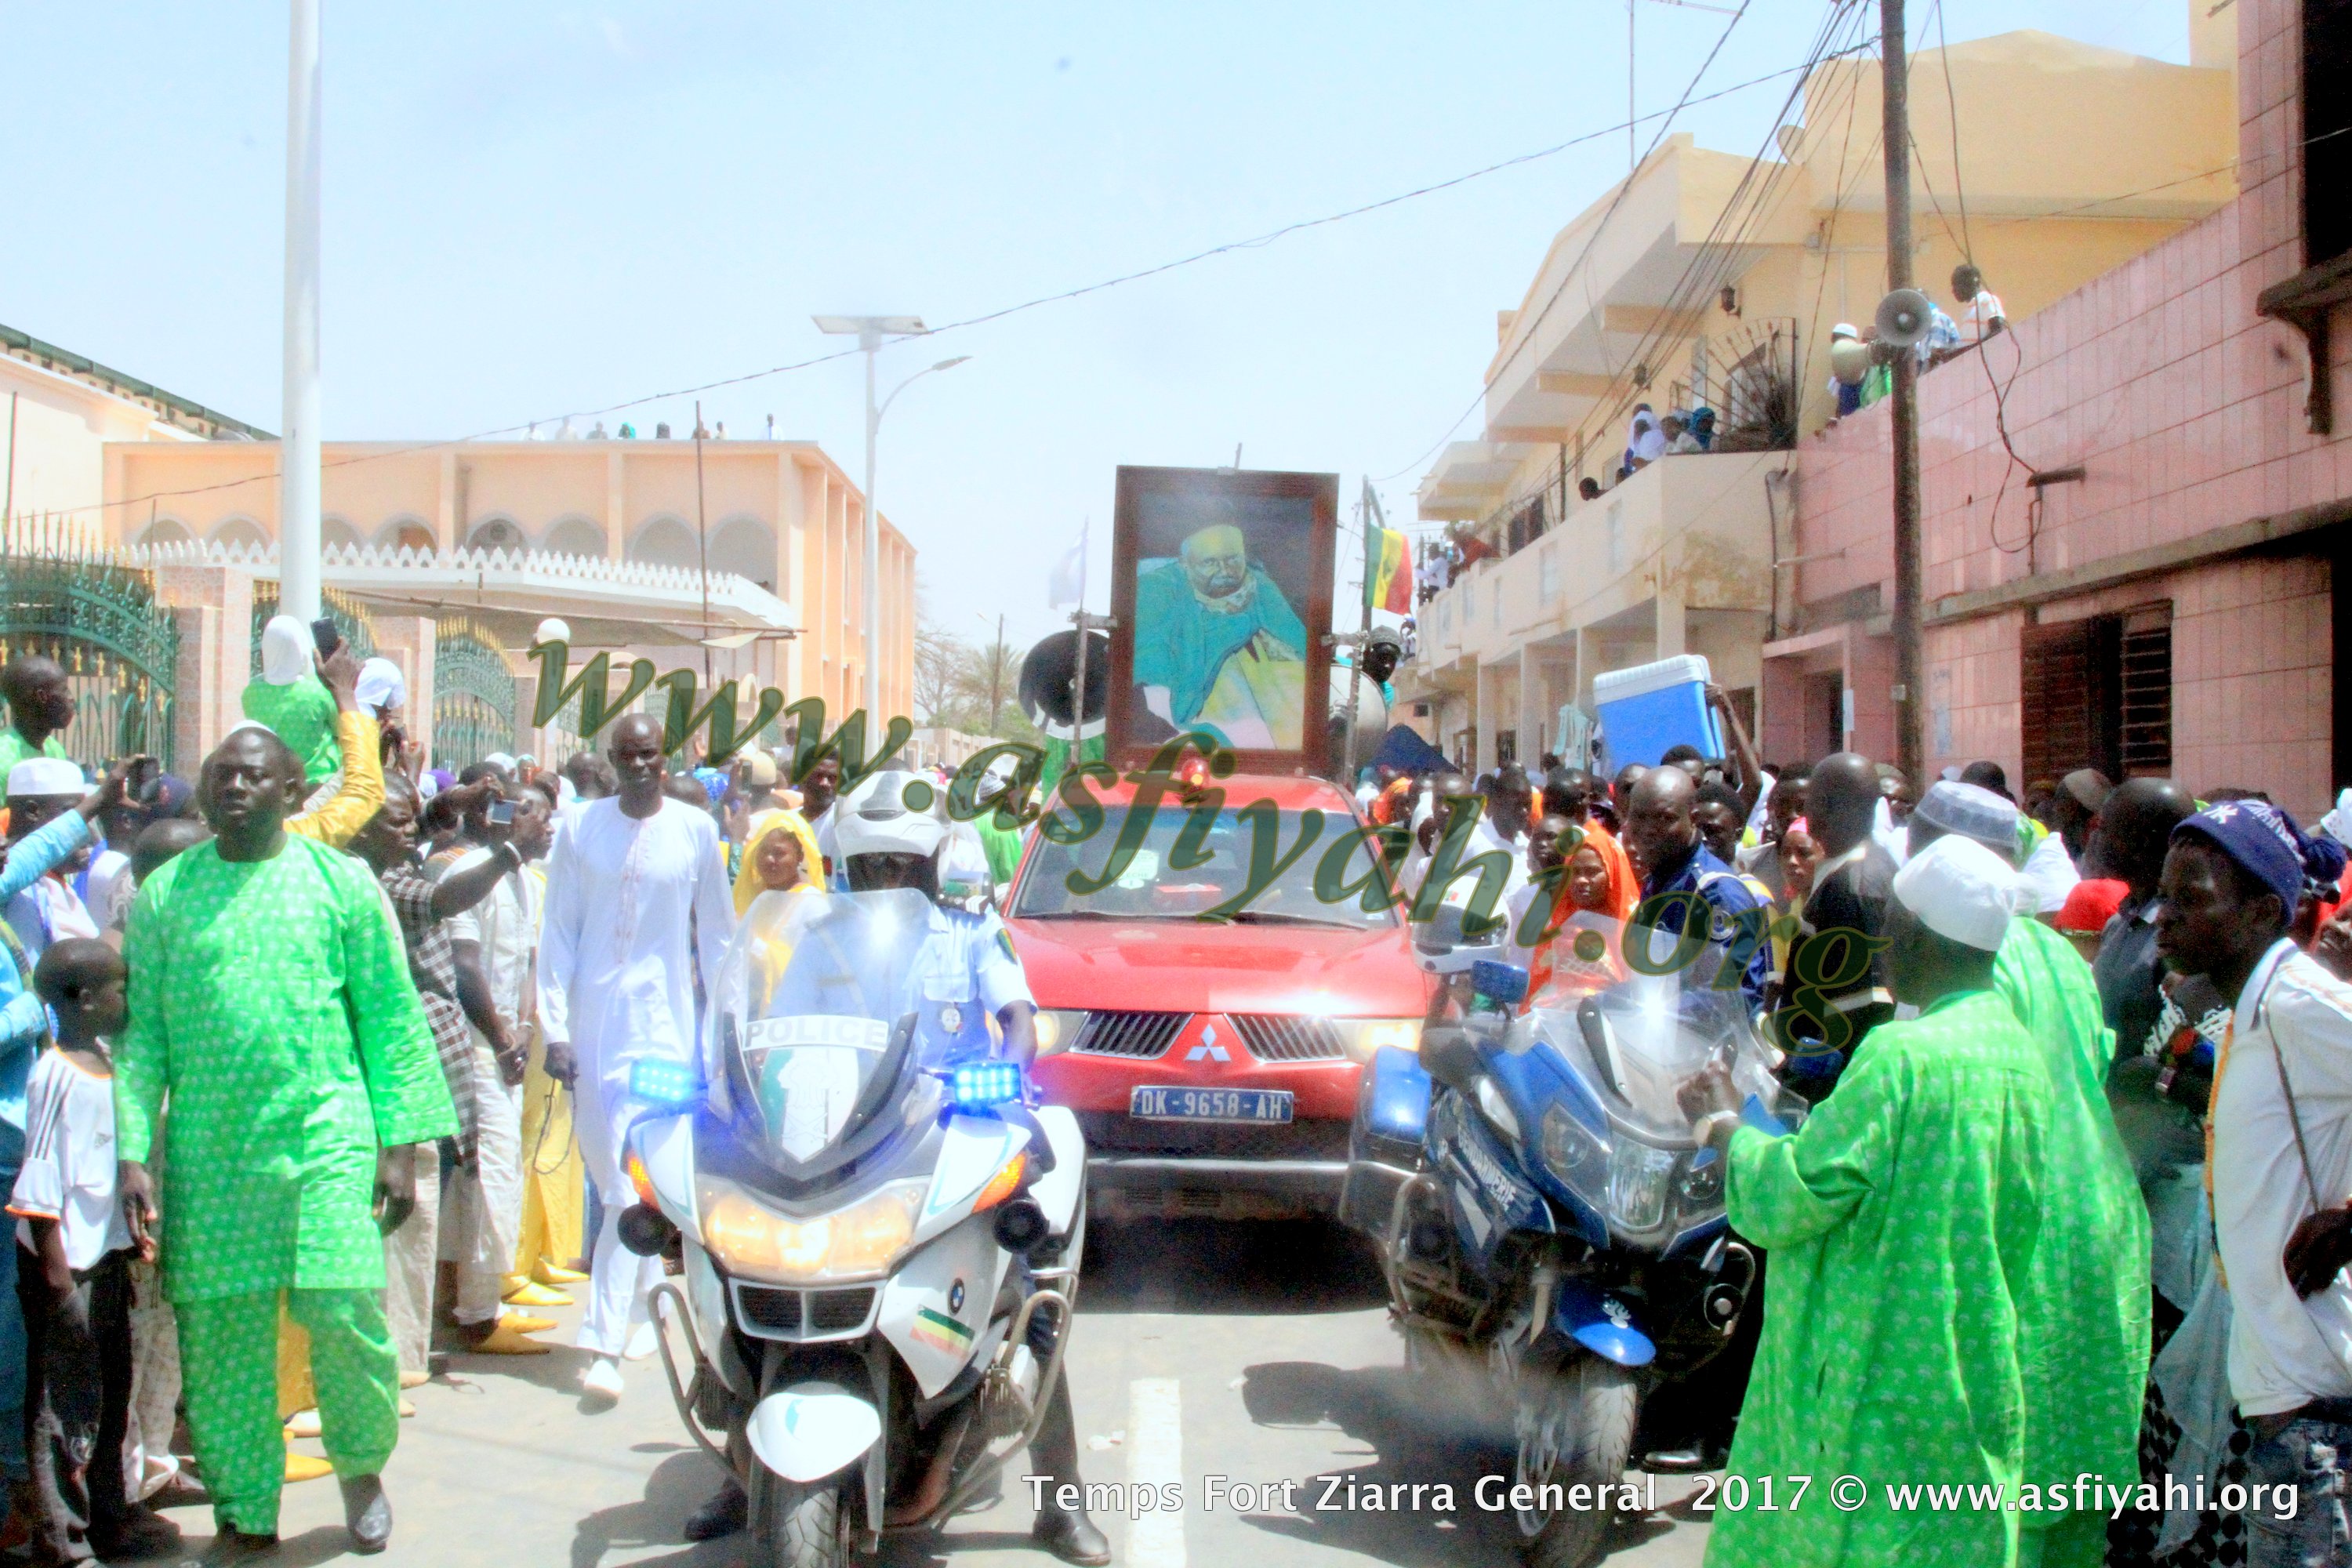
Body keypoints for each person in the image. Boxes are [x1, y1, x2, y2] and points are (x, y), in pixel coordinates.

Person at [687, 767, 1109, 1565]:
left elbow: (1016, 1018)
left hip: (943, 1136)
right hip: (839, 1135)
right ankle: (741, 1474)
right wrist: (732, 1086)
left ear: (928, 863)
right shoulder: (816, 934)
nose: (887, 879)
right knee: (722, 1260)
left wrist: (1008, 1073)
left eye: (900, 866)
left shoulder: (972, 929)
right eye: (872, 865)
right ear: (848, 863)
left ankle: (1062, 1499)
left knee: (1031, 1298)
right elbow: (772, 1023)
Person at [116, 726, 456, 1560]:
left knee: (344, 1313)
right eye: (221, 773)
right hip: (212, 1152)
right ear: (202, 788)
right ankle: (244, 1504)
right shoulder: (166, 896)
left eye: (254, 774)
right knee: (221, 1337)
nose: (235, 786)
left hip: (326, 1137)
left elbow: (387, 1015)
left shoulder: (339, 884)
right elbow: (145, 1037)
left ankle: (361, 1465)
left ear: (292, 787)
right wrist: (133, 1150)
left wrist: (399, 1142)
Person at [1679, 833, 2049, 1568]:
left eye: (1892, 932)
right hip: (1969, 1357)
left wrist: (1722, 1125)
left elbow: (1792, 1197)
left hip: (1874, 1363)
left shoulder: (1902, 1057)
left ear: (1917, 936)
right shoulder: (2017, 1051)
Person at [1909, 782, 2150, 1568]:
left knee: (1999, 1503)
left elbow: (1957, 1113)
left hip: (2026, 1234)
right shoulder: (2055, 950)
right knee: (2073, 1500)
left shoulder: (1961, 958)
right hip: (2102, 1226)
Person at [2158, 797, 2352, 1565]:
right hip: (2285, 1394)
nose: (2165, 917)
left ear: (2262, 910)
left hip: (2316, 1401)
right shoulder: (2254, 1006)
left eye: (2191, 898)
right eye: (2164, 894)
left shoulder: (2300, 1002)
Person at [536, 714, 734, 1405]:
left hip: (664, 1029)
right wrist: (553, 1027)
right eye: (627, 756)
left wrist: (719, 1039)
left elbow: (716, 937)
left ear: (665, 756)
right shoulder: (579, 828)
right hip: (592, 1030)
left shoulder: (696, 831)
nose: (640, 766)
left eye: (650, 755)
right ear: (612, 761)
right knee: (610, 1172)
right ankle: (646, 1300)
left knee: (630, 1183)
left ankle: (601, 1345)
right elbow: (558, 930)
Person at [11, 940, 177, 1563]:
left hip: (103, 1264)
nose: (126, 1001)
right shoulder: (56, 1074)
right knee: (64, 1406)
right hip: (66, 1273)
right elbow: (40, 1180)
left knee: (109, 1395)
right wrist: (57, 1280)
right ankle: (65, 1538)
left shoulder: (107, 1064)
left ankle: (111, 1516)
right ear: (84, 1000)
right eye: (119, 990)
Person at [434, 780, 561, 1355]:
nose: (546, 825)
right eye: (534, 814)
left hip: (507, 1042)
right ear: (502, 817)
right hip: (475, 1045)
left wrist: (524, 1029)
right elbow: (465, 968)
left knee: (494, 1172)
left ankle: (477, 1299)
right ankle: (476, 1314)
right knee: (489, 1175)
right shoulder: (472, 873)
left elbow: (524, 962)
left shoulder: (525, 883)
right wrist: (502, 1036)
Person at [1131, 521, 1309, 749]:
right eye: (1210, 563)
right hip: (1165, 710)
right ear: (1185, 564)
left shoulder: (1256, 585)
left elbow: (1297, 638)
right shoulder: (1156, 588)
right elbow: (1151, 653)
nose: (1225, 572)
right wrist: (1167, 721)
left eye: (1233, 560)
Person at [1782, 753, 1899, 1087]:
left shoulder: (1853, 887)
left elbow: (1864, 1006)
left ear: (1829, 808)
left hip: (1842, 1082)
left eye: (1812, 802)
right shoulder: (1871, 868)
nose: (1807, 812)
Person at [1620, 765, 1768, 1007]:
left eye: (1665, 818)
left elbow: (1732, 996)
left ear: (1693, 819)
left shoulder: (1716, 893)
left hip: (1707, 1041)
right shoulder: (1658, 881)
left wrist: (1654, 1011)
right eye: (1639, 816)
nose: (1648, 829)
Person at [5, 763, 101, 963]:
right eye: (69, 813)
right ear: (33, 811)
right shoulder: (14, 885)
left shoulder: (49, 884)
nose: (85, 833)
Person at [239, 617, 341, 787]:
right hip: (317, 781)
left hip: (271, 783)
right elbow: (341, 729)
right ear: (301, 647)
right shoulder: (318, 691)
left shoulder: (250, 694)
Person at [0, 660, 73, 782]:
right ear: (42, 696)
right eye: (65, 690)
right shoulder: (3, 756)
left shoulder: (54, 749)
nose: (71, 698)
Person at [1956, 262, 2008, 344]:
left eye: (1956, 284)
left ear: (1970, 282)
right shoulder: (1967, 313)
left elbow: (1999, 330)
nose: (1953, 290)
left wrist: (1975, 348)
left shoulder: (1987, 300)